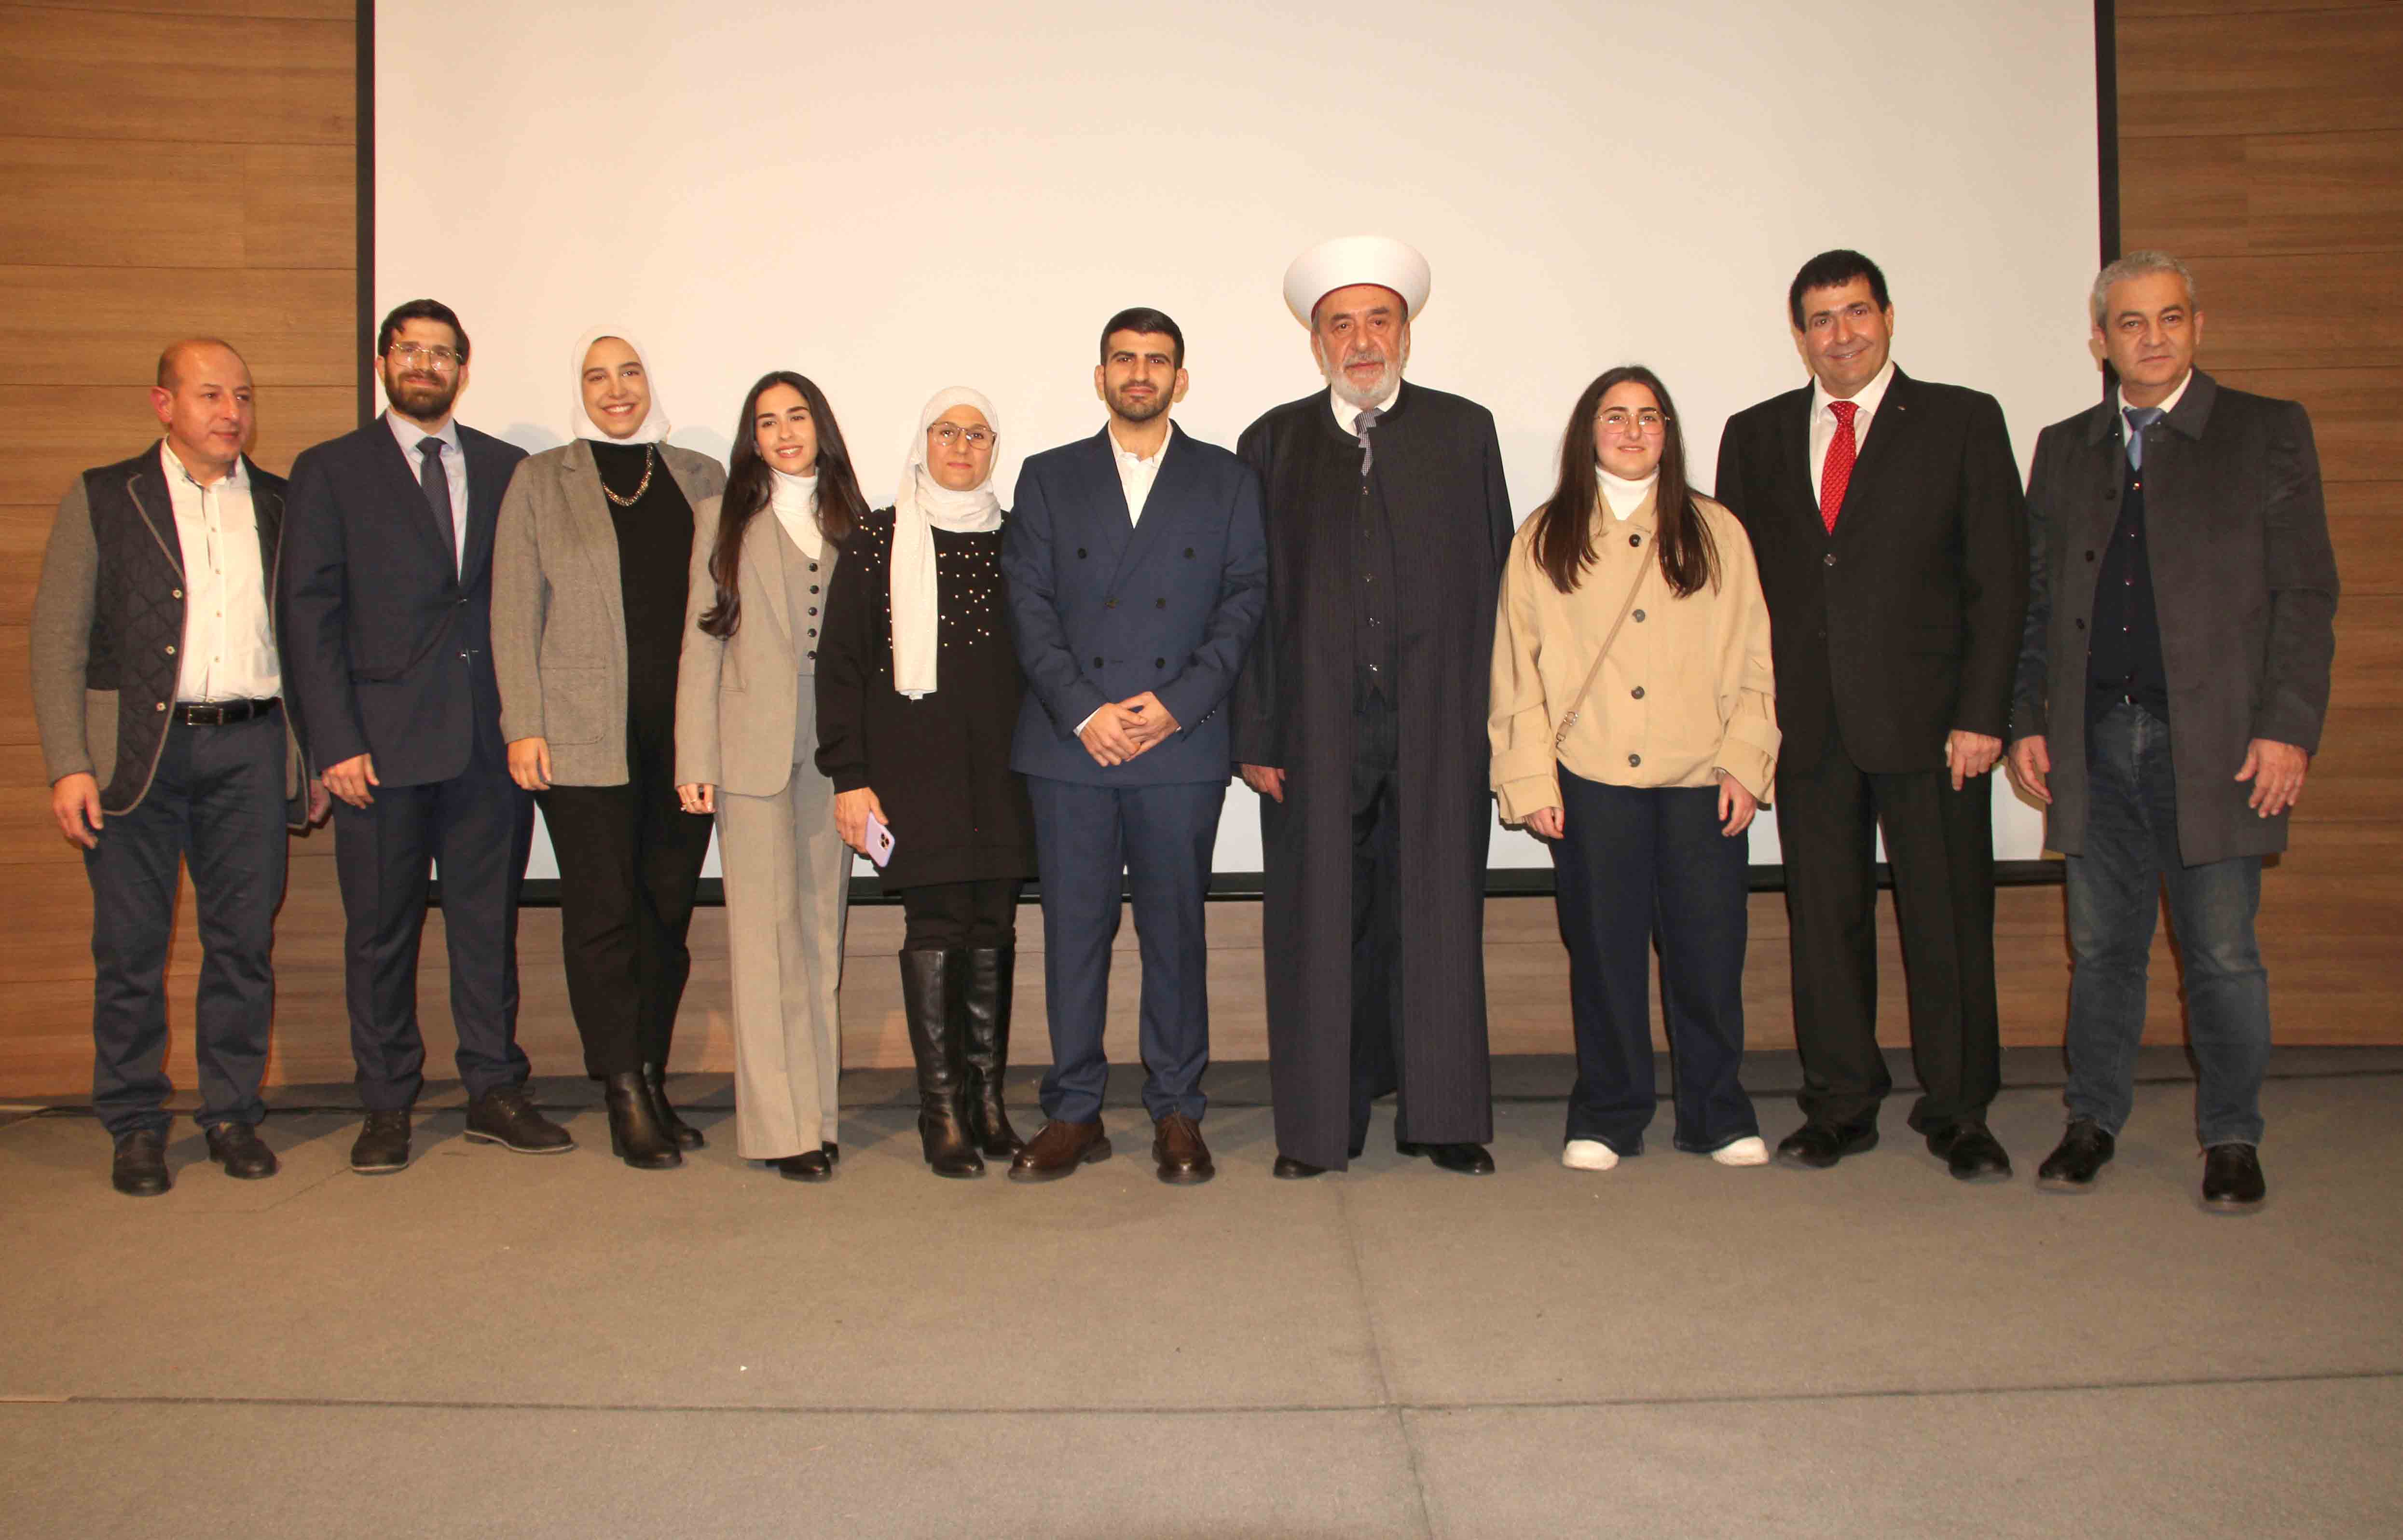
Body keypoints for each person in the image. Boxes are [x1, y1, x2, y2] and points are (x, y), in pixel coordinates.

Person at [2006, 251, 2337, 1211]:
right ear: (2098, 342)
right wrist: (2025, 718)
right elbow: (2034, 601)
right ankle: (2091, 1121)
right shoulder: (2064, 447)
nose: (2151, 337)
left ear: (2198, 325)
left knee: (2222, 953)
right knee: (2102, 949)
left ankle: (2231, 1135)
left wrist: (2286, 729)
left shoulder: (2265, 432)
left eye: (2169, 318)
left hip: (2219, 745)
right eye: (2130, 322)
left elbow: (2305, 594)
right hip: (2093, 741)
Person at [1713, 250, 2028, 1182]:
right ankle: (1840, 1105)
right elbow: (1738, 599)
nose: (1840, 334)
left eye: (1855, 312)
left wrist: (1984, 713)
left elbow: (2000, 578)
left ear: (1887, 317)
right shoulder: (1754, 435)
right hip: (1808, 727)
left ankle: (1959, 1112)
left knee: (1948, 922)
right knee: (1823, 924)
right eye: (1820, 319)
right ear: (1798, 334)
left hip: (1936, 728)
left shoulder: (1962, 421)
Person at [1232, 236, 1515, 1178]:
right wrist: (1255, 730)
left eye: (1378, 321)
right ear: (1316, 342)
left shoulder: (1464, 431)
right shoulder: (1271, 443)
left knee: (1438, 910)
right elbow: (1247, 600)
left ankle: (1443, 1116)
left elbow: (1500, 585)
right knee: (1317, 921)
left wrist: (1499, 724)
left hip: (1439, 720)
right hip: (1312, 730)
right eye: (1341, 325)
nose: (1361, 341)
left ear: (1406, 332)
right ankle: (1321, 1127)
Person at [30, 339, 326, 1196]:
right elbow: (57, 638)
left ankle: (232, 1113)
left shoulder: (280, 502)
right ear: (164, 404)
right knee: (130, 949)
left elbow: (308, 642)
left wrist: (308, 755)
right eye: (211, 395)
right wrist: (68, 762)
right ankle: (133, 1122)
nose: (232, 412)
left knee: (242, 945)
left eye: (243, 396)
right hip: (135, 756)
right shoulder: (104, 497)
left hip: (252, 749)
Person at [281, 298, 570, 1174]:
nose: (425, 365)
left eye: (442, 353)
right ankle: (386, 1102)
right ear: (384, 361)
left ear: (462, 370)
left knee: (487, 929)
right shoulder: (330, 469)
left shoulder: (508, 467)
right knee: (380, 935)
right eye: (410, 349)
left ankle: (494, 1088)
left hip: (489, 743)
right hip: (378, 749)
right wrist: (333, 742)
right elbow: (307, 614)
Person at [1001, 308, 1268, 1185]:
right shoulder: (1047, 477)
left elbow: (1244, 599)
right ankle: (1074, 1111)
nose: (1140, 373)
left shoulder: (1227, 479)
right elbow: (1027, 604)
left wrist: (1179, 704)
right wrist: (1086, 711)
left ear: (1180, 380)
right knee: (1073, 934)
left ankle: (1178, 1108)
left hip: (1177, 744)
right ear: (1100, 375)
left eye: (1157, 360)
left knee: (1174, 933)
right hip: (1070, 744)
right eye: (1124, 359)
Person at [1490, 366, 1778, 1172]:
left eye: (1648, 416)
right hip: (1590, 779)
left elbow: (1754, 655)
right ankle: (1608, 1113)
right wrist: (1530, 781)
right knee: (1603, 956)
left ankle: (1716, 1112)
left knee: (1708, 955)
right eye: (1614, 416)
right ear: (1588, 431)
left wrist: (1747, 761)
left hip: (1702, 779)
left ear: (1668, 433)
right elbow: (1515, 669)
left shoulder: (1717, 531)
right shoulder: (1544, 535)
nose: (1632, 430)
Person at [492, 330, 725, 1170]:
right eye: (598, 376)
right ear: (581, 389)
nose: (616, 389)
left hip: (684, 739)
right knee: (602, 917)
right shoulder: (540, 479)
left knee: (666, 914)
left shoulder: (700, 476)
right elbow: (512, 610)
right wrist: (523, 722)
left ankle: (653, 1077)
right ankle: (622, 1088)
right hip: (582, 736)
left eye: (629, 373)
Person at [816, 388, 1036, 1178]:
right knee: (937, 926)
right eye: (947, 431)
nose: (961, 446)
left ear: (993, 449)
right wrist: (849, 776)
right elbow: (841, 665)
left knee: (994, 926)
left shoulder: (1020, 539)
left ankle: (987, 1103)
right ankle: (940, 1109)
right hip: (914, 775)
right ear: (924, 441)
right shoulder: (877, 538)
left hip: (1005, 773)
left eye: (977, 434)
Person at [675, 372, 870, 1183]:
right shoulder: (719, 519)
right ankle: (777, 1128)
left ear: (821, 426)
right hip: (748, 750)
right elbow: (702, 642)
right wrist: (694, 758)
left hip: (835, 753)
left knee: (820, 932)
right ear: (751, 439)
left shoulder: (856, 522)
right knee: (763, 940)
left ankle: (817, 1116)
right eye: (767, 421)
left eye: (797, 416)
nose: (785, 432)